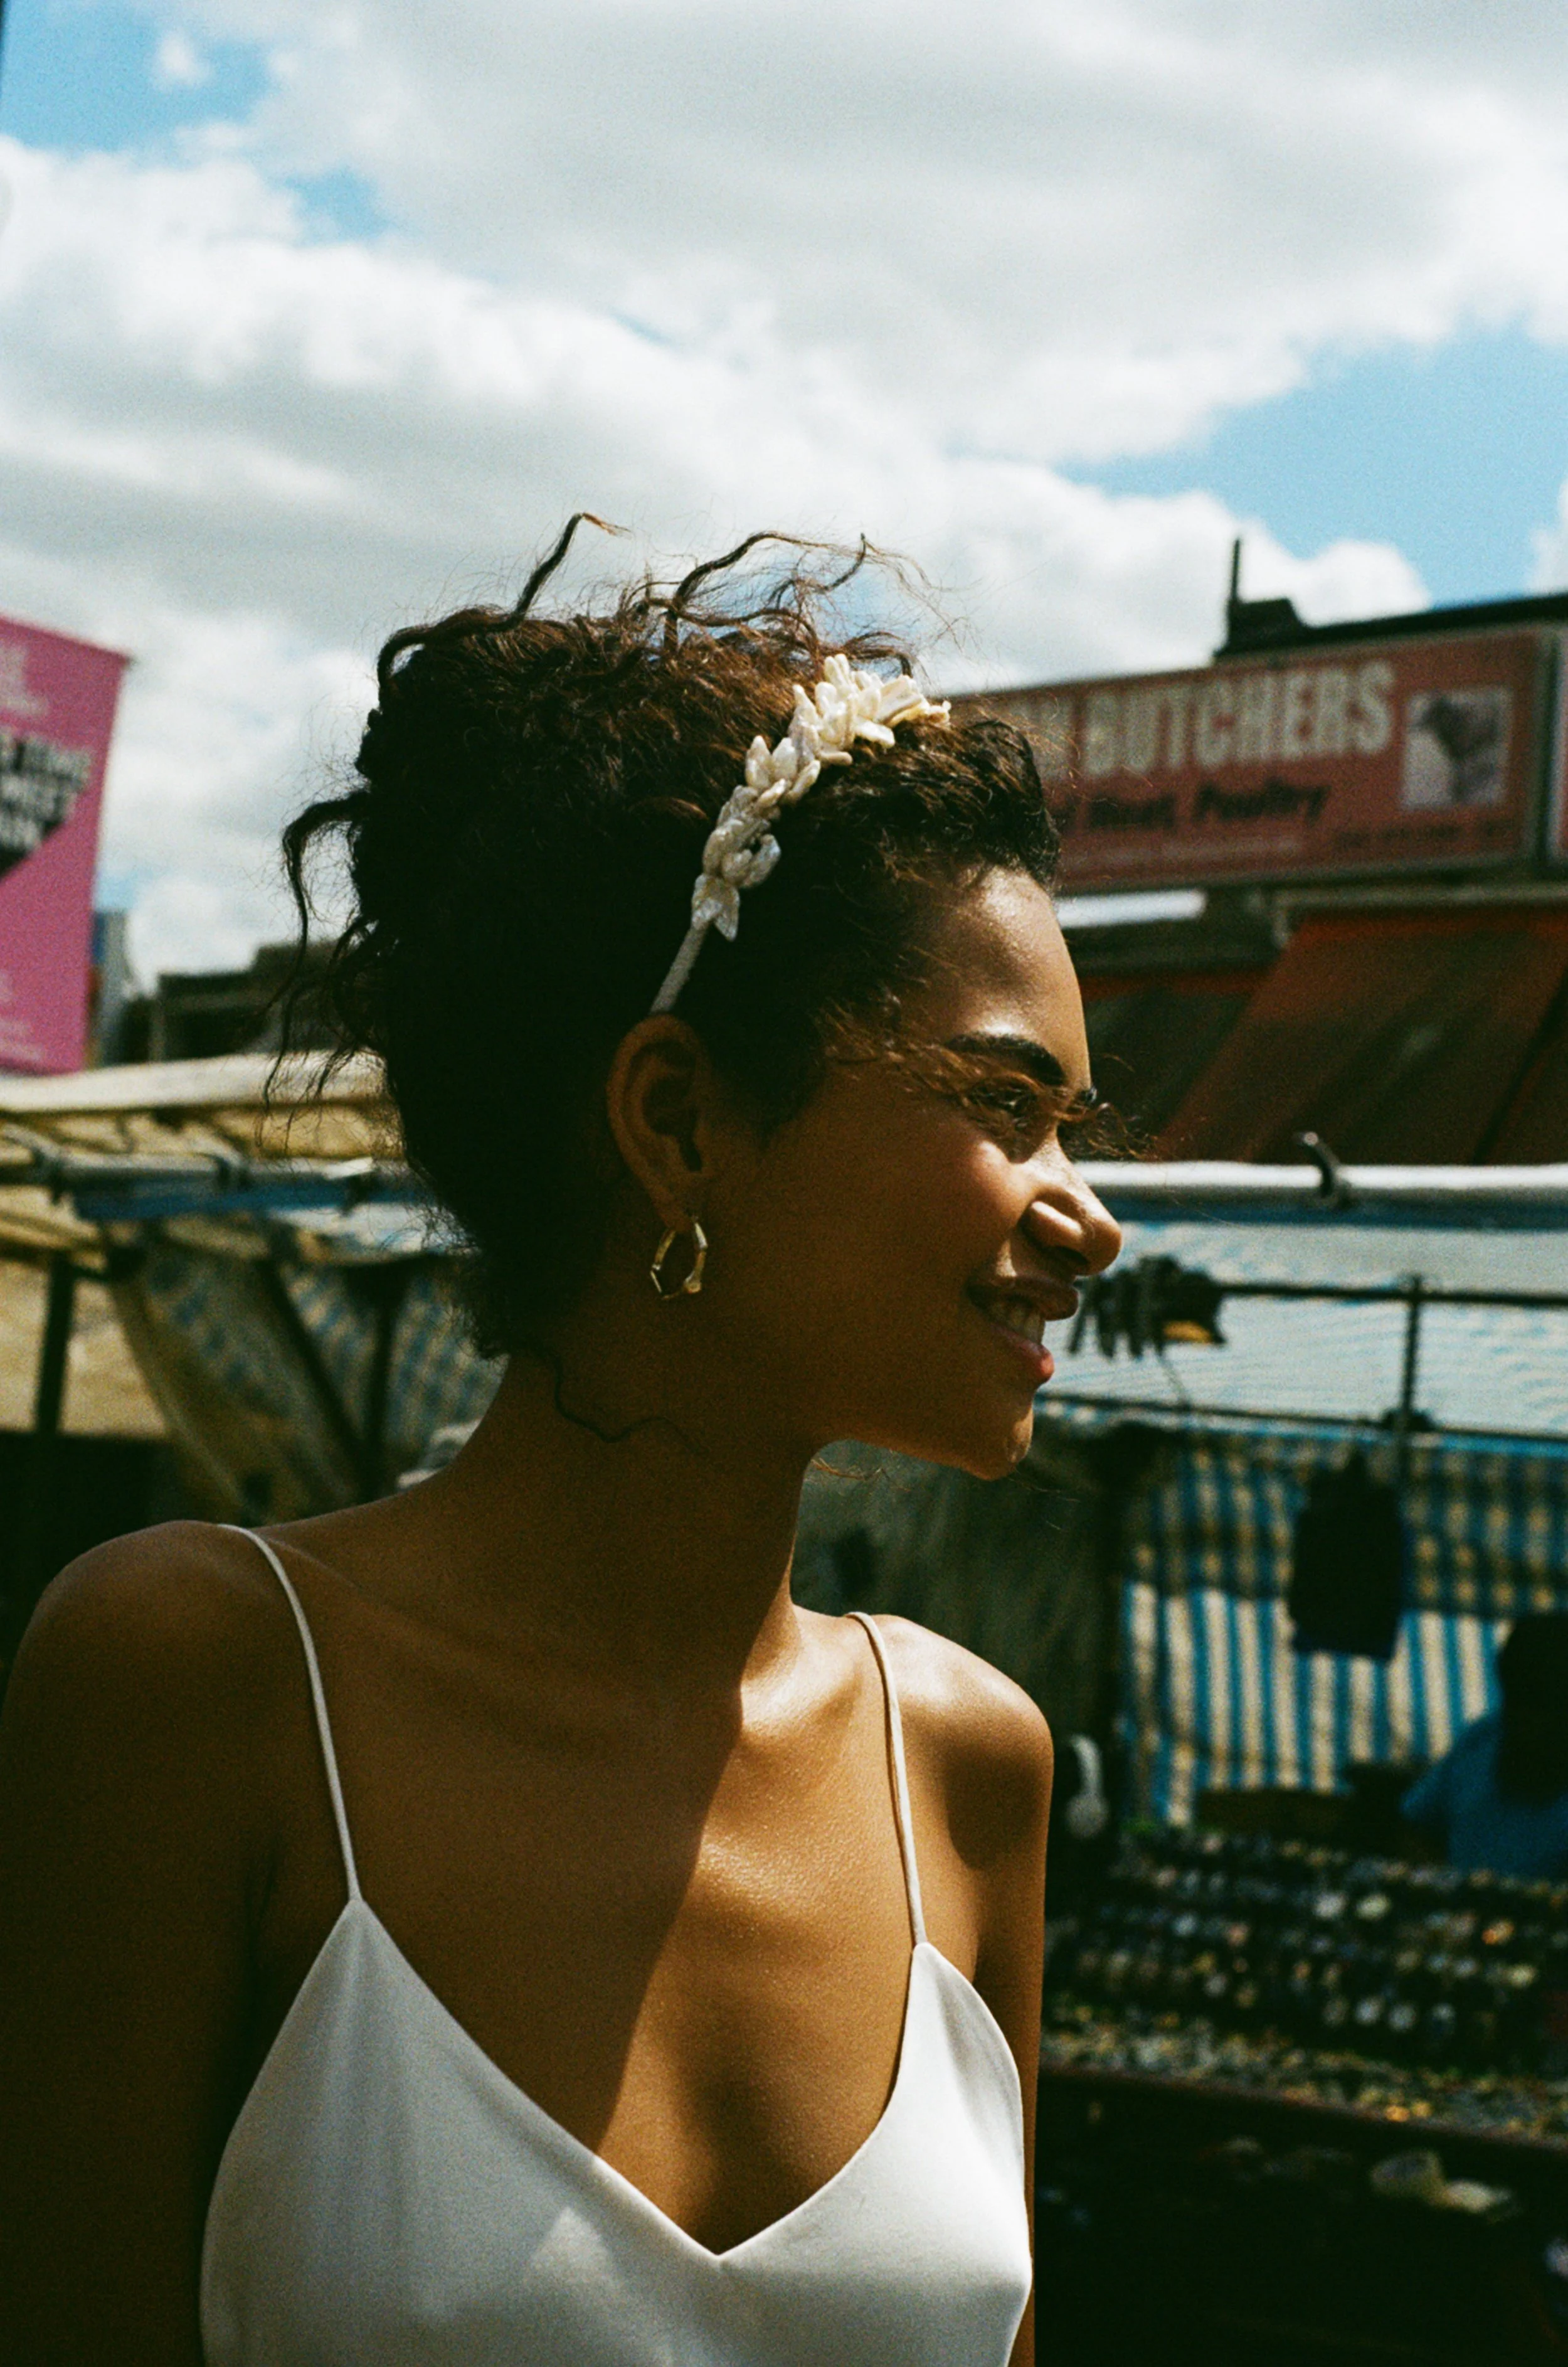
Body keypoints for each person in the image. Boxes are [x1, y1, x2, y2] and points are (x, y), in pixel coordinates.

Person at [0, 525, 1123, 2366]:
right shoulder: (207, 1687)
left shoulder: (971, 1770)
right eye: (1004, 1104)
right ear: (677, 1118)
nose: (1083, 1217)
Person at [1401, 1614, 1568, 1879]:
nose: (1524, 1721)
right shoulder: (1483, 1739)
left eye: (1541, 1702)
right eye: (1517, 1699)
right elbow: (1416, 1827)